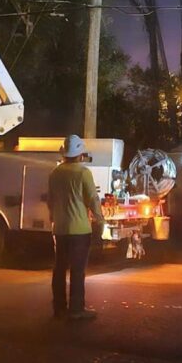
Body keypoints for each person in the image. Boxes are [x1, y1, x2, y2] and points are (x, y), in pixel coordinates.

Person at [48, 134, 105, 321]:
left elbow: (50, 201)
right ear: (80, 155)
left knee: (59, 269)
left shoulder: (55, 173)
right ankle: (76, 310)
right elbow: (92, 199)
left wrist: (53, 220)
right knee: (77, 271)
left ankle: (58, 309)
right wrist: (100, 219)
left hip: (60, 229)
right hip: (80, 231)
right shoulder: (83, 173)